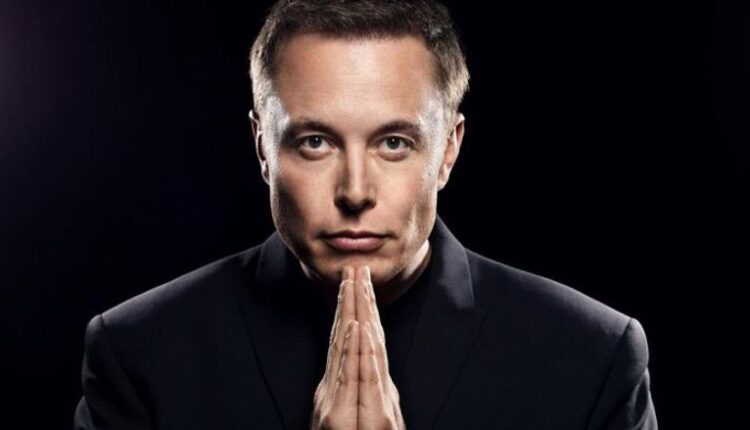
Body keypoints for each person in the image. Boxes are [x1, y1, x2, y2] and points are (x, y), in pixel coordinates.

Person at [74, 1, 658, 429]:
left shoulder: (592, 355)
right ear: (262, 148)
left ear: (448, 150)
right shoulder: (139, 352)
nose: (355, 191)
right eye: (315, 142)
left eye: (393, 143)